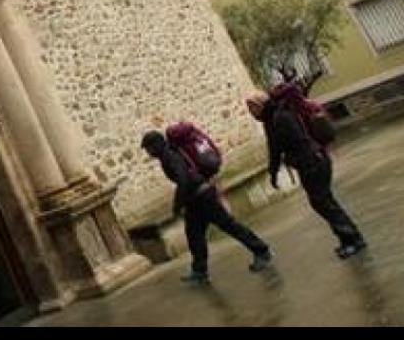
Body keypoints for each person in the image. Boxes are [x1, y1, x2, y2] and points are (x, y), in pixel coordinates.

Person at [247, 79, 367, 259]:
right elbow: (274, 150)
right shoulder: (271, 119)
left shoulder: (280, 117)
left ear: (259, 105)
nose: (250, 113)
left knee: (323, 203)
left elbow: (297, 142)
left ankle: (354, 239)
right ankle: (348, 239)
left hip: (312, 163)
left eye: (251, 108)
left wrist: (291, 161)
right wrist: (273, 172)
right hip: (311, 162)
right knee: (323, 202)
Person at [141, 129, 272, 283]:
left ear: (155, 145)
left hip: (202, 197)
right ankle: (199, 270)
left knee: (229, 226)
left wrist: (177, 204)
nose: (149, 153)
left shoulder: (169, 156)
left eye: (148, 149)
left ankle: (262, 251)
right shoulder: (170, 153)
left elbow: (183, 179)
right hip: (196, 199)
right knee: (194, 235)